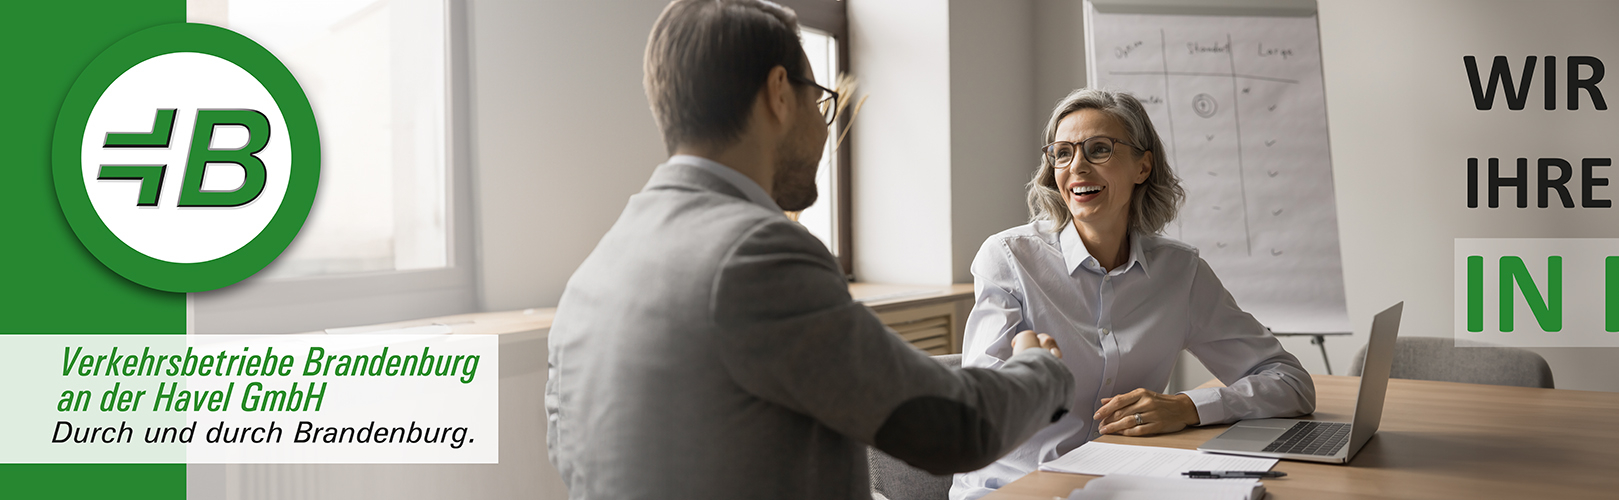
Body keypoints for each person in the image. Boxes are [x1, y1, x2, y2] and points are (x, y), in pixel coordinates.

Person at [544, 2, 1074, 499]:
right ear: (779, 93)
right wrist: (1038, 369)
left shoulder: (596, 270)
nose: (824, 128)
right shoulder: (757, 253)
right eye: (819, 100)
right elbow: (952, 429)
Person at [950, 89, 1318, 499]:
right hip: (1014, 488)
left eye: (1099, 149)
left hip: (1122, 485)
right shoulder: (1009, 258)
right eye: (1063, 153)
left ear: (1143, 166)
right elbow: (978, 406)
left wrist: (1187, 407)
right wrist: (1028, 377)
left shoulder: (1180, 273)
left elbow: (1291, 383)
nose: (1078, 167)